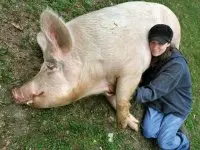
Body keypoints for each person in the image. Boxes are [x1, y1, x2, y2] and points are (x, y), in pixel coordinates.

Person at [134, 24, 192, 150]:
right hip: (159, 101)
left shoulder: (177, 66)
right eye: (153, 42)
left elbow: (153, 91)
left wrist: (128, 92)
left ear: (168, 44)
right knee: (148, 132)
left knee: (164, 143)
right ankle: (168, 128)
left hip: (177, 106)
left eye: (160, 44)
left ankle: (183, 142)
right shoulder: (156, 56)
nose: (155, 47)